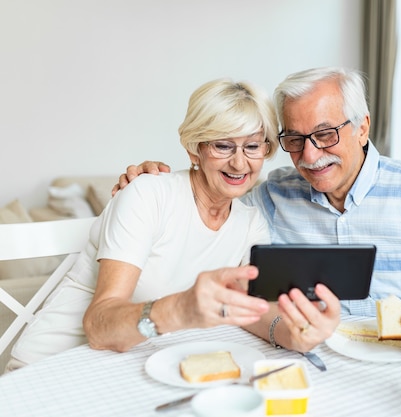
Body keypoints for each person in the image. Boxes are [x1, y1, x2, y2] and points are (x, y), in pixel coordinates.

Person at [114, 67, 401, 353]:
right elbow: (211, 197)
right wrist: (155, 182)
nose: (309, 156)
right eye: (294, 139)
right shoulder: (272, 195)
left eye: (326, 135)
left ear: (362, 128)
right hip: (310, 358)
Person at [6, 78, 317, 372]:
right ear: (195, 148)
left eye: (252, 146)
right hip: (53, 367)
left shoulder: (251, 223)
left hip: (133, 367)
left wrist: (296, 333)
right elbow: (98, 328)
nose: (239, 163)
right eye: (223, 146)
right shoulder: (147, 194)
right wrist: (182, 308)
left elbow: (252, 311)